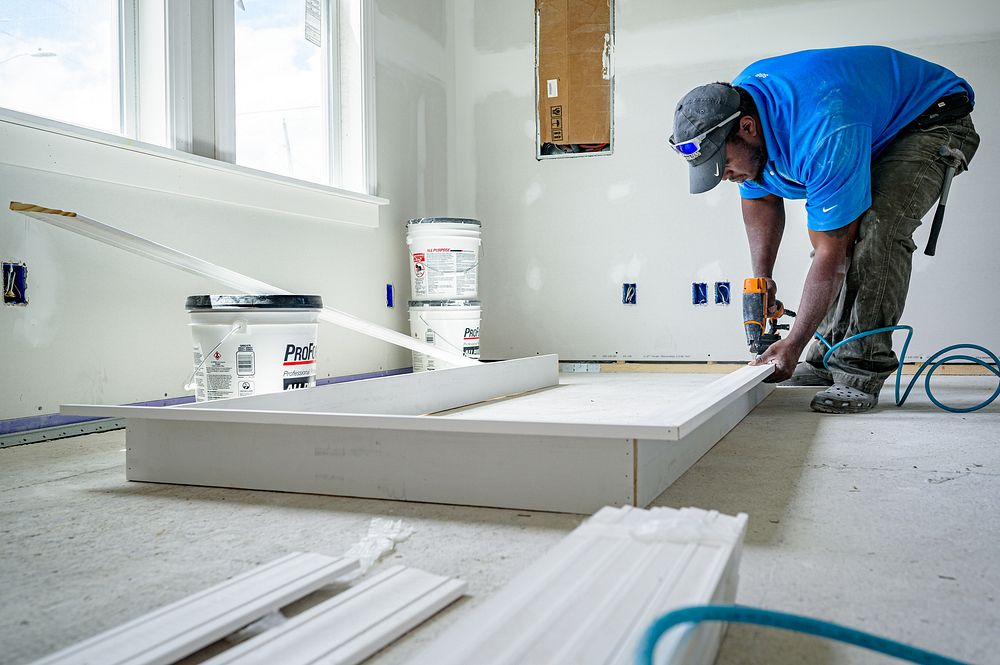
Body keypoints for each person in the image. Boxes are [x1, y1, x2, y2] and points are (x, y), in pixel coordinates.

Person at [669, 46, 979, 413]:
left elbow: (832, 251)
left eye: (724, 165)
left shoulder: (823, 130)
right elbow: (760, 196)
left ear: (747, 128)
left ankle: (859, 370)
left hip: (931, 119)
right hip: (868, 120)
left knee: (875, 230)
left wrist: (793, 341)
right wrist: (762, 278)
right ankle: (826, 355)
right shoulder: (739, 109)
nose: (725, 178)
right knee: (838, 234)